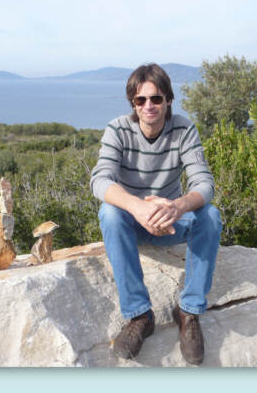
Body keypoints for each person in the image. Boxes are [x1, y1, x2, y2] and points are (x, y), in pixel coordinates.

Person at [91, 63, 221, 365]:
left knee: (210, 216)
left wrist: (176, 207)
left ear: (168, 100)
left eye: (156, 98)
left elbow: (204, 183)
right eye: (141, 100)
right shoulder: (118, 130)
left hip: (172, 221)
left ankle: (189, 311)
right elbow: (100, 180)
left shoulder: (184, 129)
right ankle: (139, 316)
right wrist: (139, 208)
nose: (149, 105)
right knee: (109, 213)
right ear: (133, 104)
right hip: (133, 223)